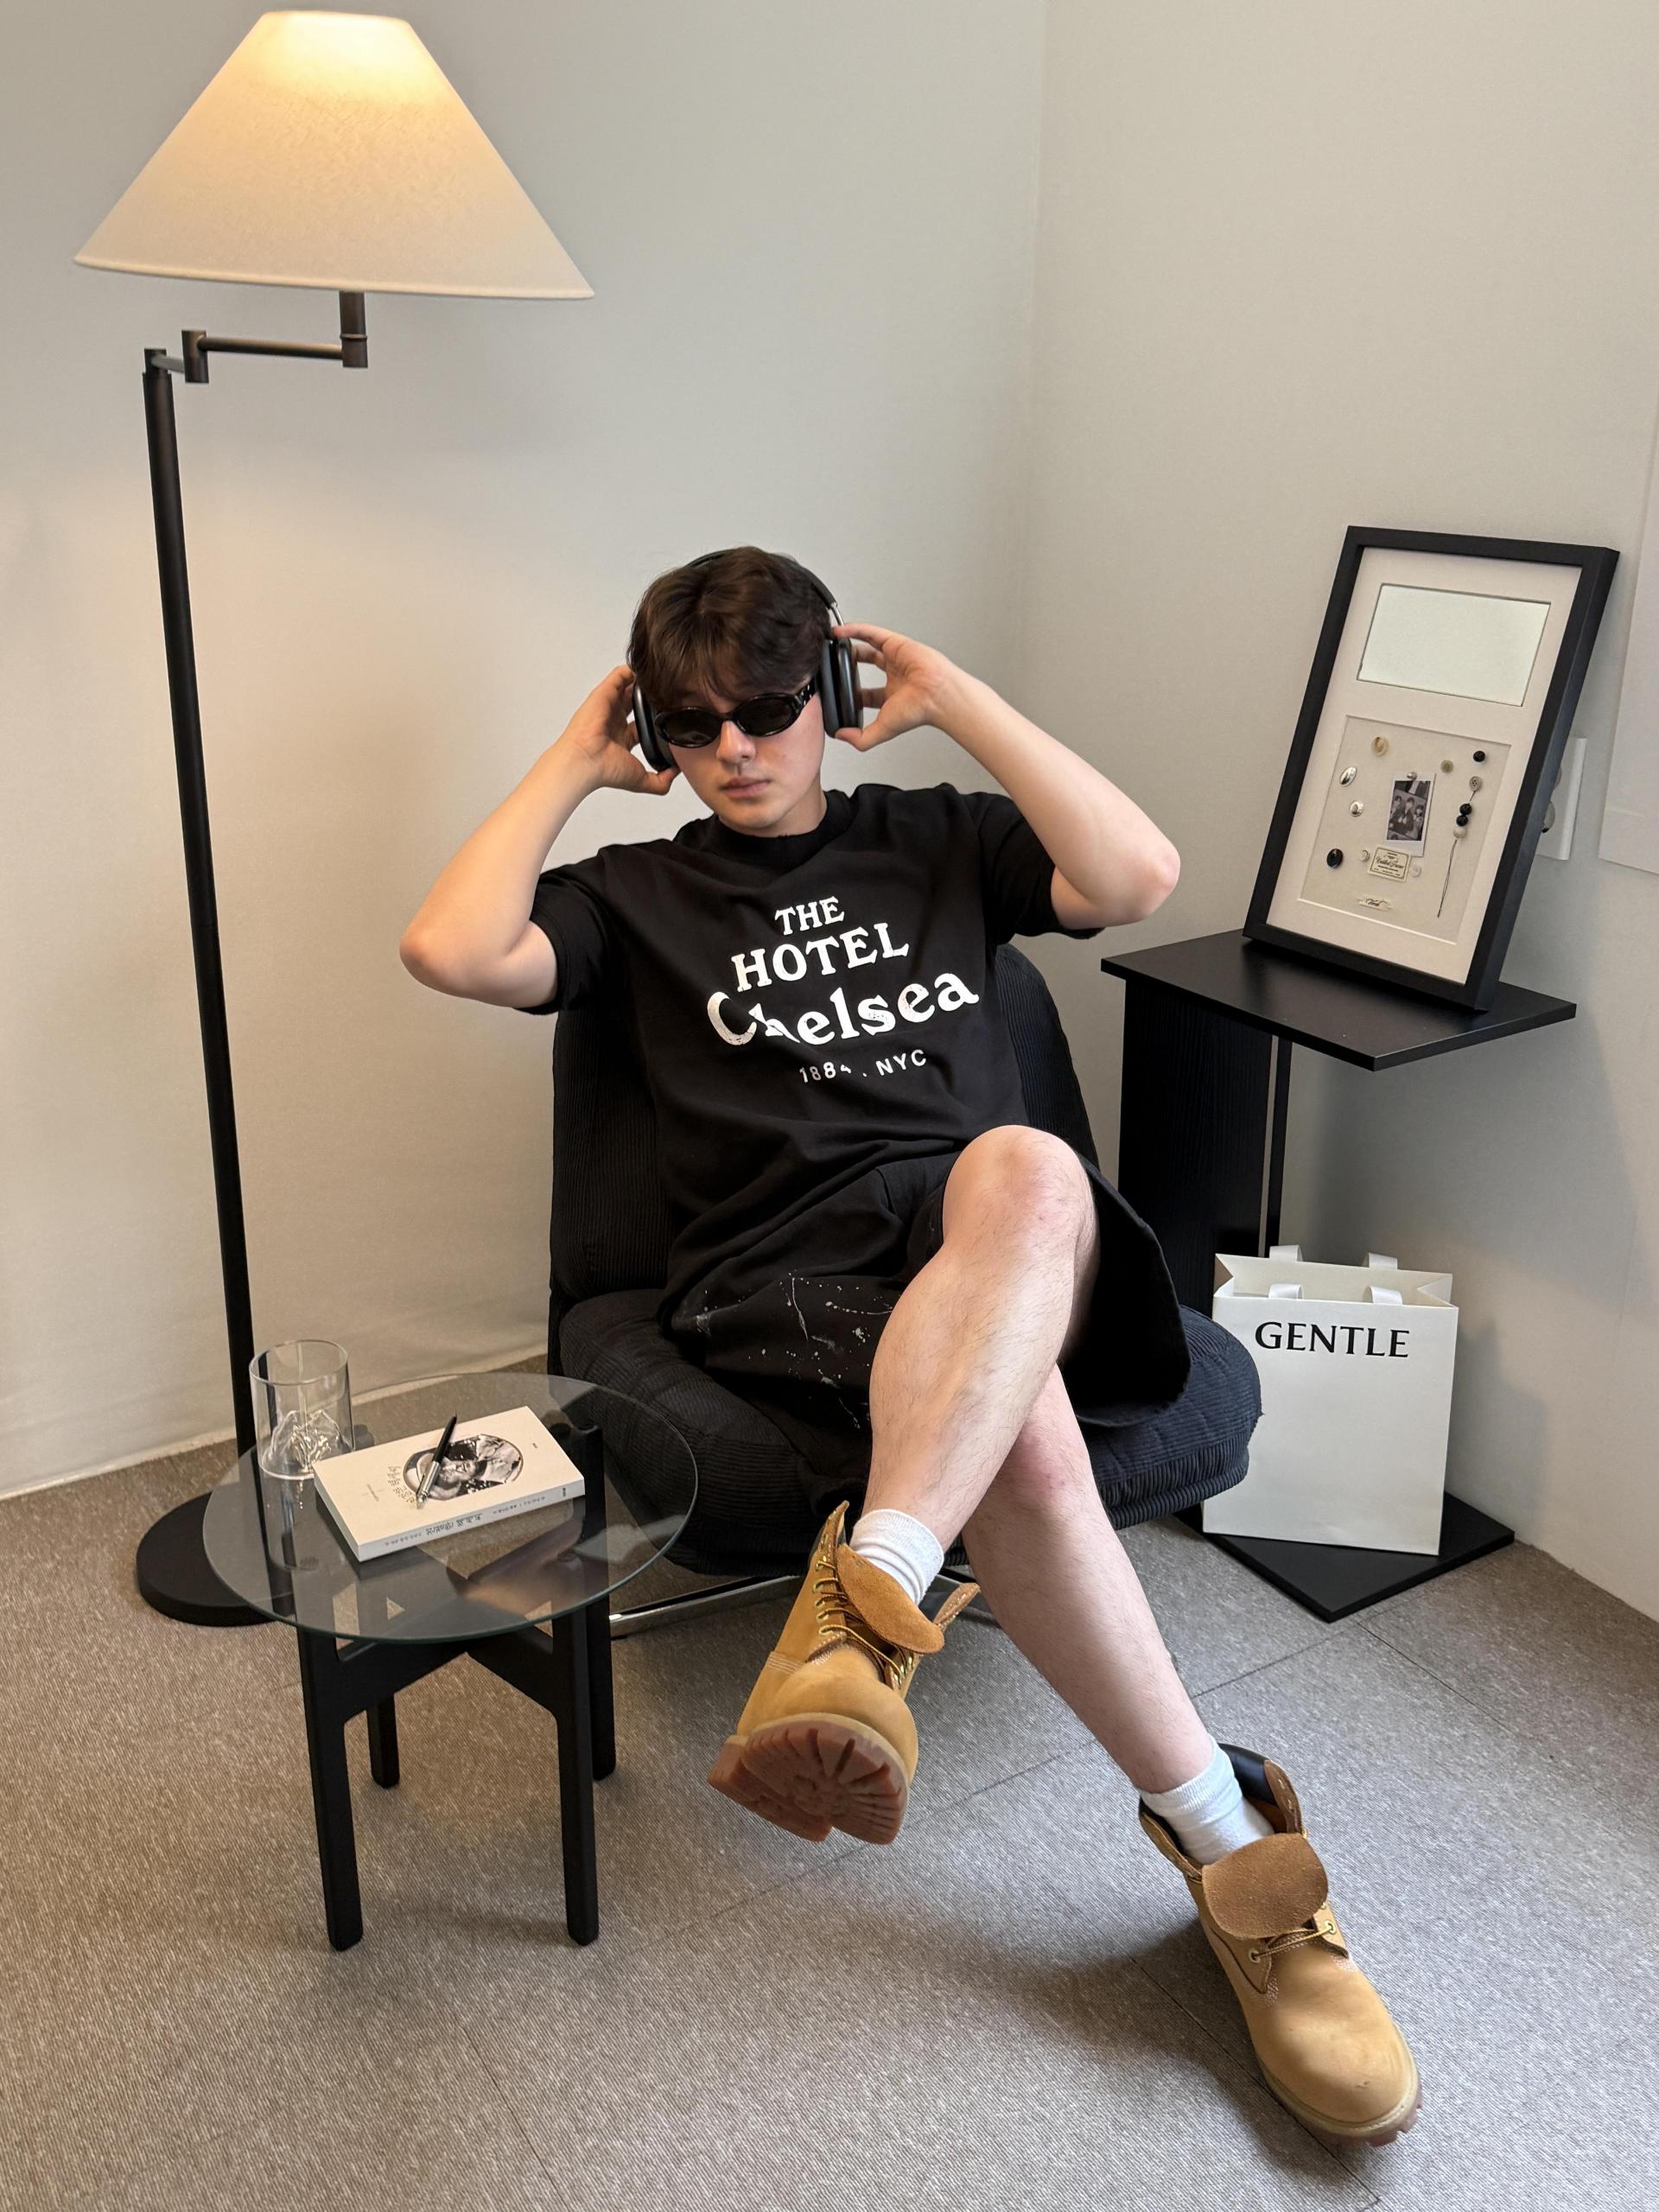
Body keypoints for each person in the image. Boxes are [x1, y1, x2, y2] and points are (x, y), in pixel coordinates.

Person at [399, 547, 1421, 2147]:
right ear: (656, 730)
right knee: (1025, 1440)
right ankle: (1237, 1857)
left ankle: (865, 1607)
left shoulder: (936, 839)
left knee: (1027, 1166)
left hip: (993, 1234)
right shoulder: (636, 898)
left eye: (767, 707)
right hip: (782, 1275)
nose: (736, 747)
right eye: (691, 722)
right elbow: (451, 949)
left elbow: (1139, 874)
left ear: (830, 695)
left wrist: (958, 703)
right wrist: (574, 761)